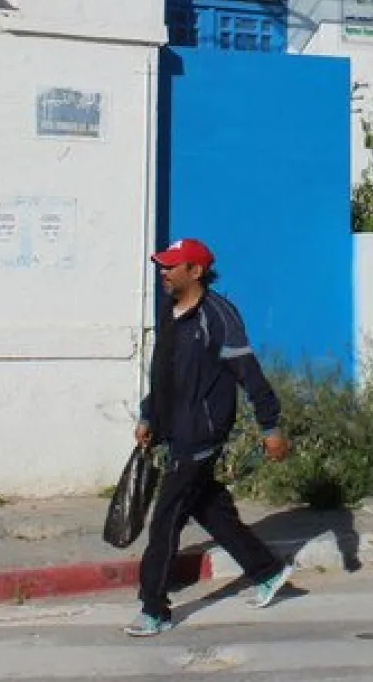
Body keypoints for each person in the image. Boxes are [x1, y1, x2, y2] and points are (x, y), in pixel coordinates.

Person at [127, 238, 294, 638]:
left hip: (201, 433)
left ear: (195, 271)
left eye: (171, 266)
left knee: (166, 519)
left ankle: (154, 609)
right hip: (176, 430)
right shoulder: (171, 312)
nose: (163, 273)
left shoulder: (218, 316)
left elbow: (250, 375)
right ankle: (267, 571)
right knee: (209, 508)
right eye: (162, 266)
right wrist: (150, 414)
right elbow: (164, 375)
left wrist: (270, 427)